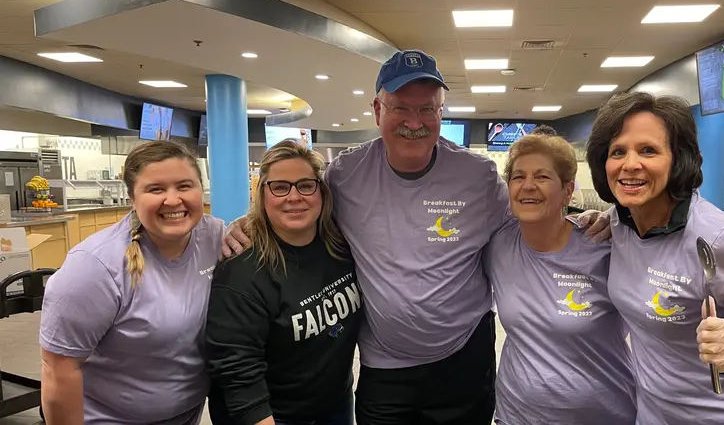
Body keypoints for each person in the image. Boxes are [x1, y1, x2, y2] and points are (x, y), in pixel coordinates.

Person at [221, 49, 611, 424]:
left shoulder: (476, 176)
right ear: (377, 110)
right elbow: (298, 202)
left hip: (464, 357)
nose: (415, 120)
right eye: (401, 108)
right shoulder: (345, 175)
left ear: (441, 112)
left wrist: (584, 218)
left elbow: (529, 220)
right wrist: (250, 223)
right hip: (385, 366)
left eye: (427, 108)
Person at [585, 92, 724, 424]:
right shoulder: (621, 225)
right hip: (654, 413)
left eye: (648, 150)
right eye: (617, 151)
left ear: (678, 160)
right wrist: (604, 218)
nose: (630, 164)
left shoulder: (720, 239)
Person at [39, 141, 224, 425]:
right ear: (131, 198)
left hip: (187, 415)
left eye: (185, 186)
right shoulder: (94, 267)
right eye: (156, 189)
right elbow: (59, 370)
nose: (173, 200)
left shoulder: (215, 237)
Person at [205, 140, 360, 425]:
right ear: (263, 194)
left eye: (305, 185)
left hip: (334, 404)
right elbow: (237, 369)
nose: (293, 196)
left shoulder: (341, 246)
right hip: (273, 415)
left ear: (321, 192)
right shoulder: (242, 269)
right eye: (279, 187)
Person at [485, 133, 636, 424]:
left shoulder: (604, 247)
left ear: (568, 192)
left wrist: (617, 220)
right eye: (518, 177)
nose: (528, 185)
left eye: (542, 176)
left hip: (603, 415)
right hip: (516, 415)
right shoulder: (498, 244)